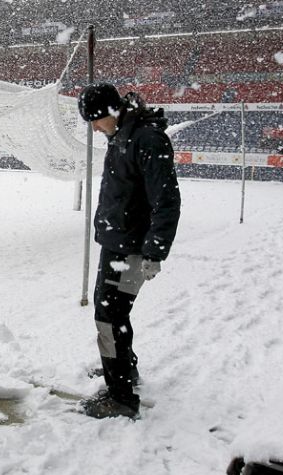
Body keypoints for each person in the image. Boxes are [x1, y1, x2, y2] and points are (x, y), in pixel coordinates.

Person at [76, 83, 181, 419]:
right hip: (115, 242)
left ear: (110, 111)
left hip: (131, 249)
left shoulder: (146, 139)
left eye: (95, 120)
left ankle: (120, 397)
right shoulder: (122, 135)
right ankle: (125, 370)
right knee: (109, 313)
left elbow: (166, 200)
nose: (93, 127)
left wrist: (154, 252)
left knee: (109, 317)